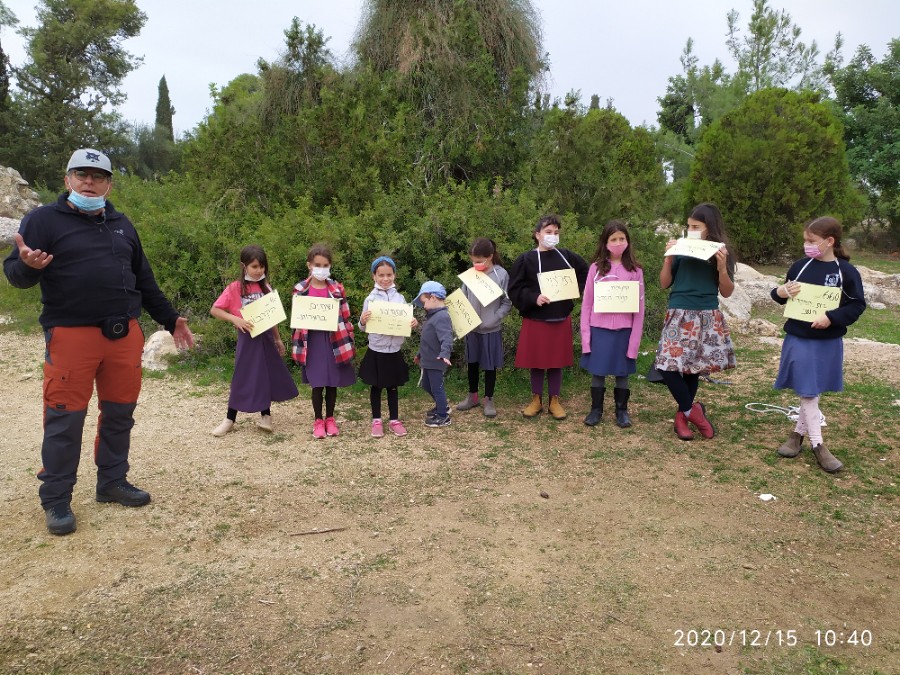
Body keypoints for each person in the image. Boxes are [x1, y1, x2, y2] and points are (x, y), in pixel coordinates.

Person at [2, 148, 194, 536]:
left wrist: (171, 320)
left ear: (109, 183)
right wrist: (27, 265)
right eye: (81, 174)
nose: (89, 182)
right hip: (71, 337)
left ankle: (111, 481)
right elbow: (15, 274)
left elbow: (145, 280)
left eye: (97, 176)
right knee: (64, 420)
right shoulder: (43, 220)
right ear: (67, 179)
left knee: (120, 413)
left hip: (123, 337)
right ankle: (56, 500)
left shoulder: (122, 224)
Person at [770, 217, 866, 473]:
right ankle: (818, 445)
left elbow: (857, 305)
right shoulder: (799, 267)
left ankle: (796, 435)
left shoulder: (846, 272)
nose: (806, 245)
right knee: (808, 392)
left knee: (812, 388)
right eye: (805, 240)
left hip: (828, 341)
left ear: (829, 241)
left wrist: (831, 317)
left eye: (811, 241)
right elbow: (781, 295)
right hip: (799, 338)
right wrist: (780, 292)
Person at [653, 203, 736, 441]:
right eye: (688, 226)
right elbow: (664, 283)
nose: (690, 230)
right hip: (678, 312)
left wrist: (721, 267)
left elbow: (727, 291)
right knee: (665, 365)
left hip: (706, 314)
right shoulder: (682, 248)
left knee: (692, 367)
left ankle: (682, 417)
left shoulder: (721, 251)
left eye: (696, 226)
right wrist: (668, 259)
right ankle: (693, 411)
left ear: (709, 228)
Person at [209, 245, 298, 437]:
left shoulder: (265, 288)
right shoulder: (234, 288)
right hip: (247, 340)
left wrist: (278, 339)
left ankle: (266, 415)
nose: (259, 270)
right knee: (242, 376)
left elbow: (271, 317)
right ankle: (230, 419)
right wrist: (235, 319)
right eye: (255, 266)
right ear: (244, 266)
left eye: (262, 266)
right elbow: (215, 309)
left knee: (265, 375)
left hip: (265, 339)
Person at [508, 214, 588, 420]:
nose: (553, 236)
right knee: (536, 360)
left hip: (560, 317)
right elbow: (514, 289)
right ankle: (536, 399)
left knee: (555, 361)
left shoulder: (567, 256)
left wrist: (575, 291)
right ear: (537, 235)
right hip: (536, 318)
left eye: (556, 233)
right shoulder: (526, 259)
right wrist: (534, 297)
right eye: (548, 232)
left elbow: (587, 273)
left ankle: (555, 400)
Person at [580, 221, 645, 428]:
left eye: (622, 239)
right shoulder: (596, 270)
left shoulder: (635, 271)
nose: (618, 243)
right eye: (613, 239)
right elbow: (587, 305)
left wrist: (634, 343)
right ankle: (596, 409)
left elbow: (639, 311)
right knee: (598, 371)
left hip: (624, 332)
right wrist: (586, 338)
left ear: (628, 241)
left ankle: (622, 410)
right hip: (599, 330)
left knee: (621, 372)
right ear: (605, 242)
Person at [291, 244, 355, 439]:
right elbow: (297, 318)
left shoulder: (337, 288)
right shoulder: (300, 289)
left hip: (333, 341)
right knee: (317, 383)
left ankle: (330, 418)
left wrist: (350, 338)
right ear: (309, 265)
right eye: (317, 264)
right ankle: (318, 420)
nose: (321, 268)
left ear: (330, 266)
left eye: (325, 265)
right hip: (312, 343)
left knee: (332, 382)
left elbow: (345, 316)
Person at [358, 256, 418, 437]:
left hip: (394, 350)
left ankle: (394, 420)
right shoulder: (370, 299)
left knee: (393, 387)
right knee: (376, 387)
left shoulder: (400, 298)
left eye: (389, 275)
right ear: (374, 276)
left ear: (394, 275)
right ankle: (376, 420)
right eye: (381, 275)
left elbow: (405, 321)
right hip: (377, 349)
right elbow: (362, 326)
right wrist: (362, 320)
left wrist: (412, 322)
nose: (385, 279)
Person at [455, 238, 512, 418]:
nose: (476, 264)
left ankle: (489, 399)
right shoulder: (470, 274)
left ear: (490, 256)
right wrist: (462, 317)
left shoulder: (501, 275)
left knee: (489, 366)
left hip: (491, 329)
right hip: (471, 329)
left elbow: (507, 301)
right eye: (473, 261)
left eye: (479, 261)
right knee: (472, 362)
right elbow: (463, 297)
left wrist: (495, 319)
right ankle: (472, 397)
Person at [413, 281, 453, 427]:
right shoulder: (433, 316)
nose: (423, 306)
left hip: (436, 360)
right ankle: (442, 405)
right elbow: (427, 340)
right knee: (426, 385)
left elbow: (446, 338)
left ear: (433, 297)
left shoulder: (442, 317)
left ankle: (443, 416)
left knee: (437, 387)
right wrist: (419, 354)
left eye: (424, 301)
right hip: (428, 359)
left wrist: (445, 354)